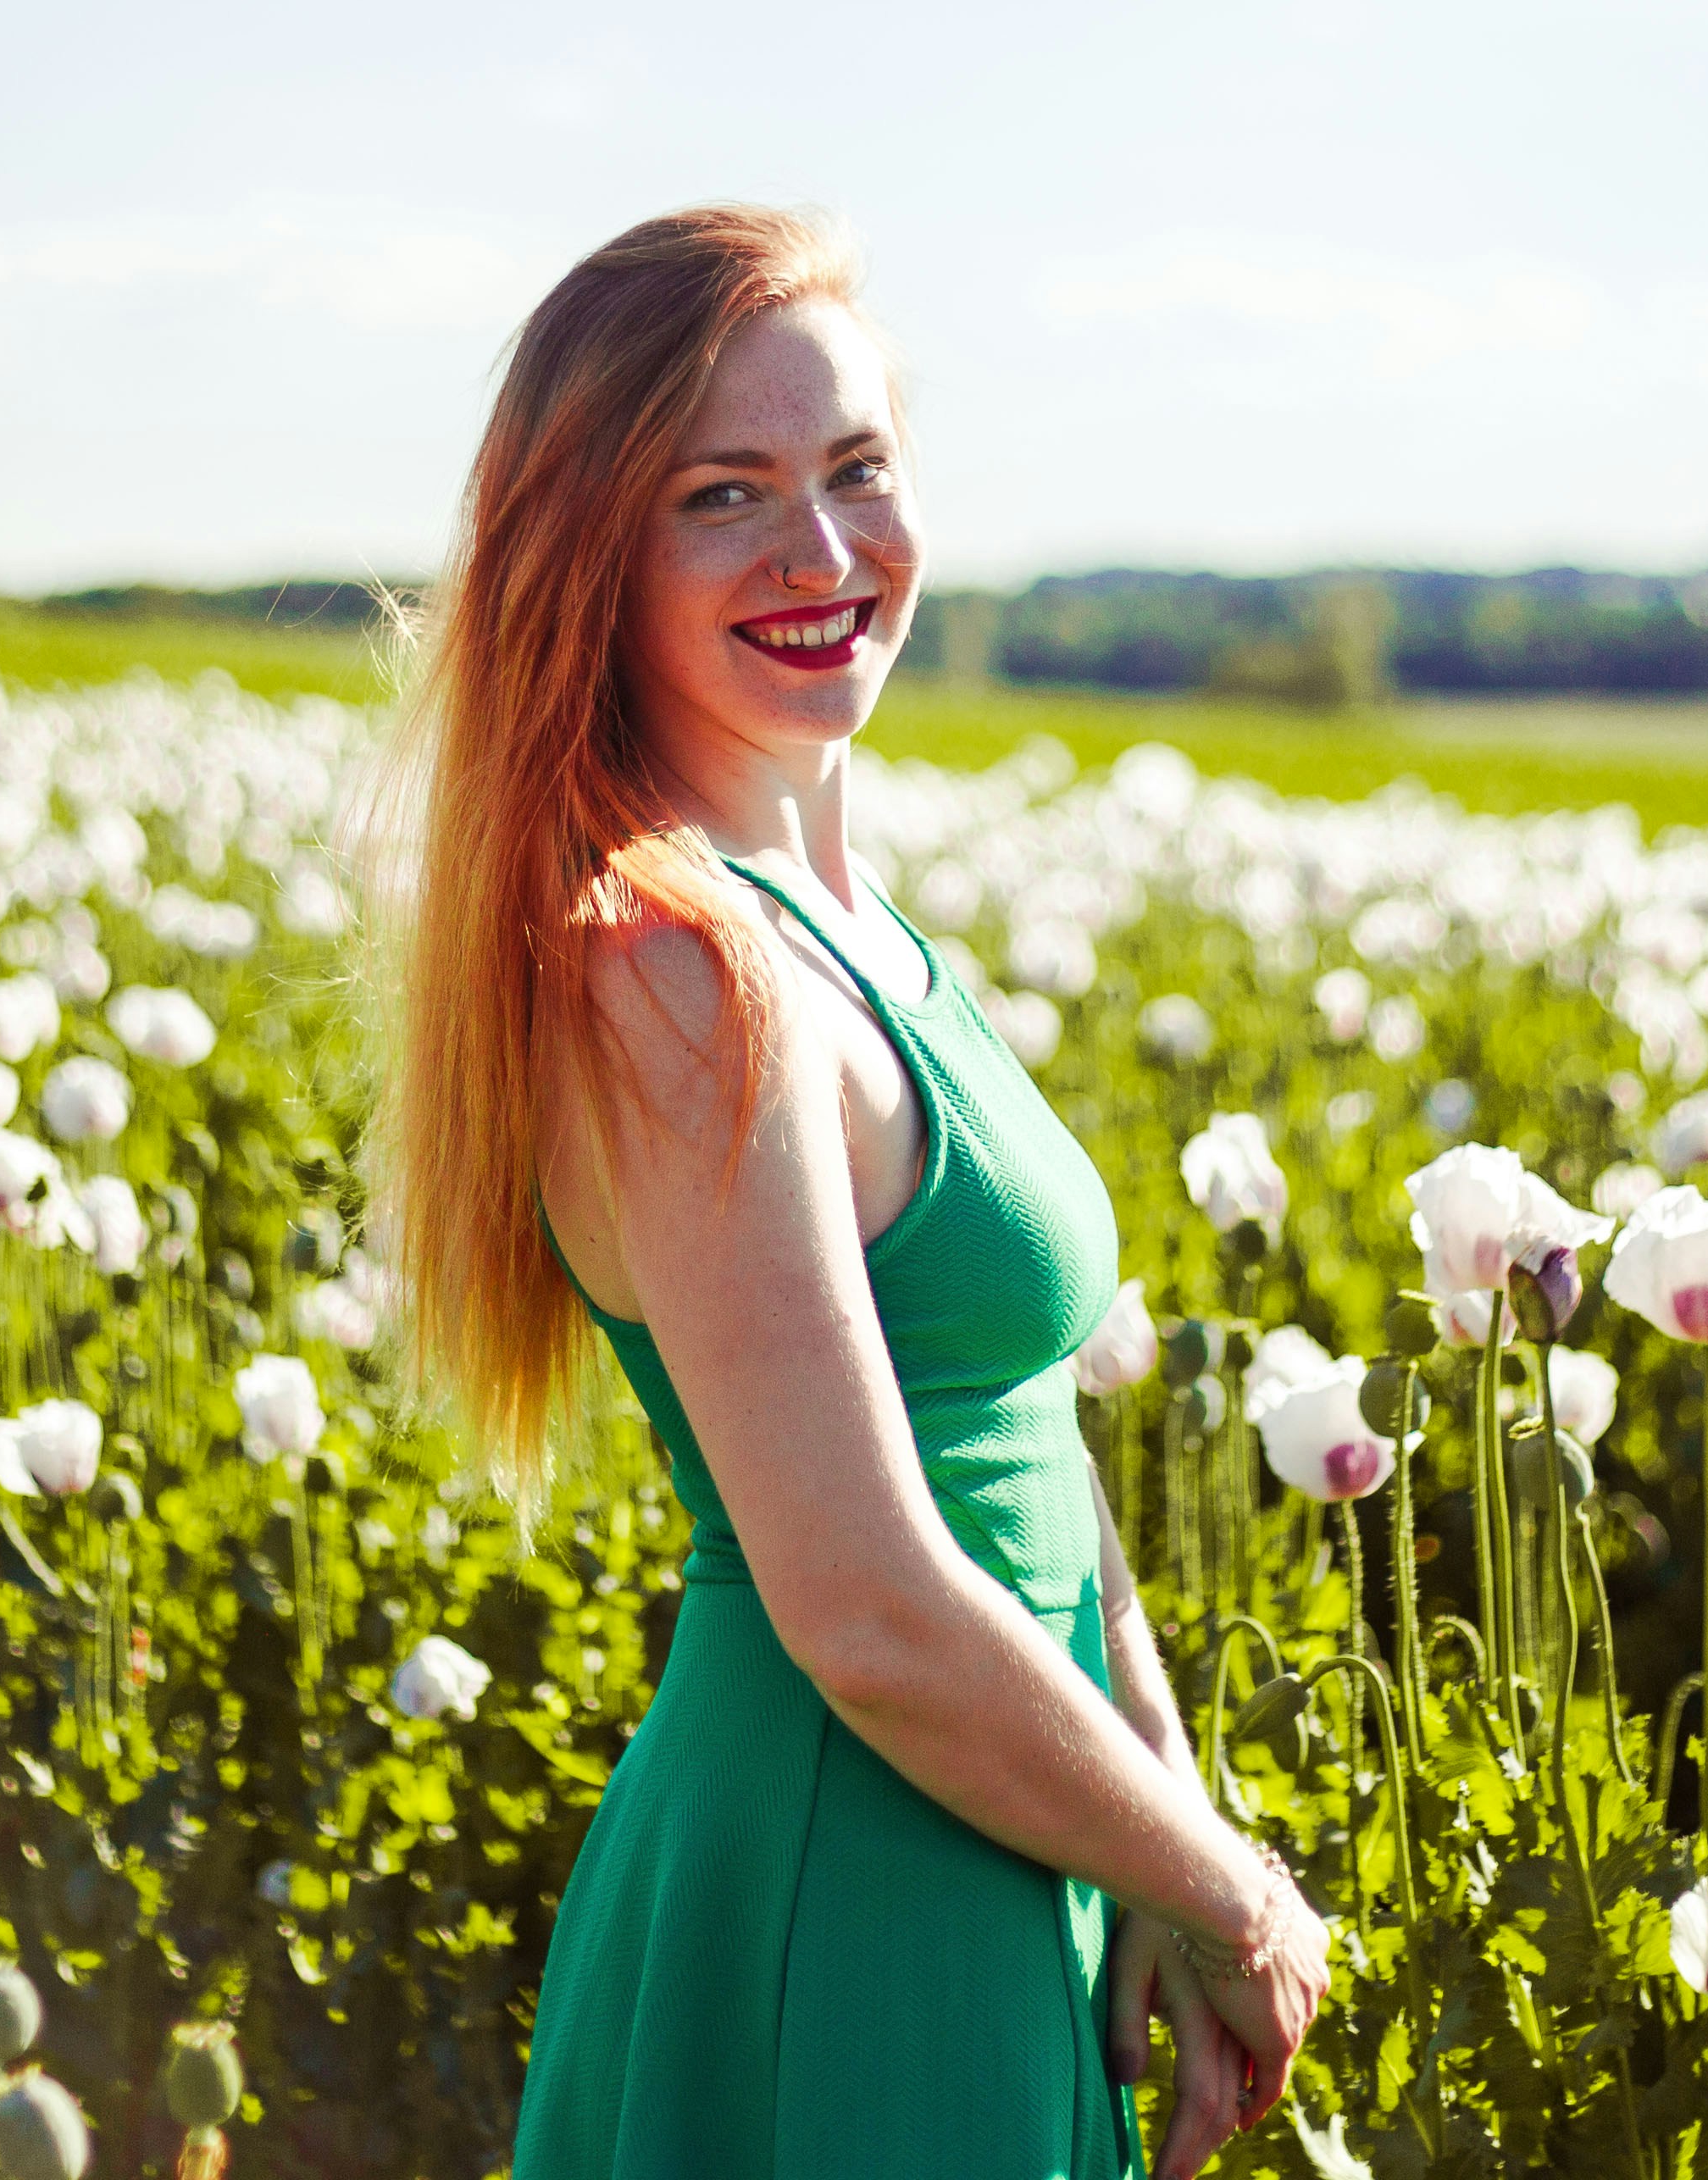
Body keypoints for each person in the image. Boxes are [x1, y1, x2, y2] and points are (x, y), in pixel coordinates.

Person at [366, 204, 1327, 2179]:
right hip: (850, 1877)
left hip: (1012, 1837)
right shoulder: (675, 972)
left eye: (858, 470)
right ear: (592, 557)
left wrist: (1151, 1824)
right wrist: (1233, 1889)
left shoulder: (849, 925)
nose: (823, 555)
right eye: (726, 496)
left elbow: (1025, 1447)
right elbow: (870, 1608)